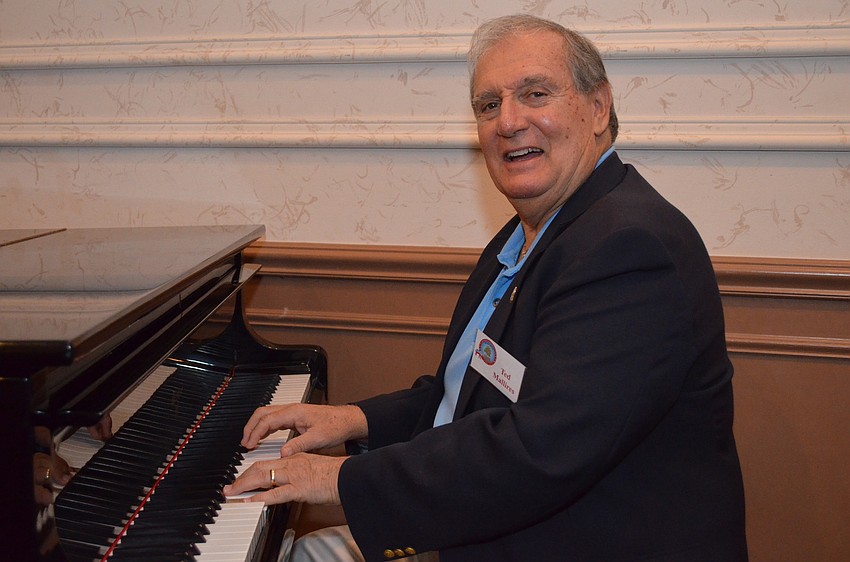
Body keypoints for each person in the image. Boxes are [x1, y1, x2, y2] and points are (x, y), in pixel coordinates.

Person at [223, 14, 748, 562]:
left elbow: (536, 450)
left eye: (535, 94)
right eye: (488, 105)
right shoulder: (533, 233)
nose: (509, 122)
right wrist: (355, 420)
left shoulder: (630, 248)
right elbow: (477, 395)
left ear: (598, 108)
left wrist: (341, 479)